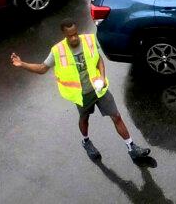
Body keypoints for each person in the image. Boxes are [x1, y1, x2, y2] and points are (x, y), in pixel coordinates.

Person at [11, 20, 151, 164]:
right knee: (84, 119)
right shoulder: (57, 51)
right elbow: (42, 68)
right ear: (64, 35)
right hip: (81, 95)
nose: (74, 38)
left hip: (99, 90)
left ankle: (131, 148)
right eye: (70, 36)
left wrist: (102, 77)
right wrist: (22, 64)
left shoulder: (89, 40)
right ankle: (86, 141)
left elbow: (98, 60)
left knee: (116, 116)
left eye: (75, 34)